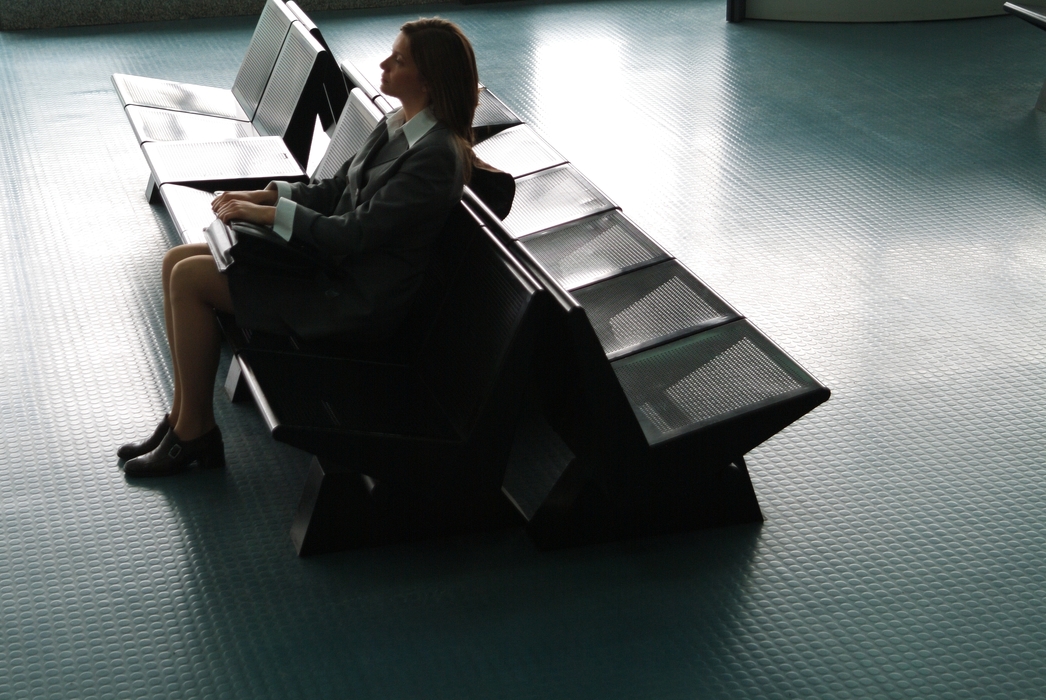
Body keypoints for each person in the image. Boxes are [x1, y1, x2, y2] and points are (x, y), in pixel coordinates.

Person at [118, 18, 479, 477]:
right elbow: (333, 191)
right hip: (332, 268)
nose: (384, 64)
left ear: (427, 80)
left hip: (352, 300)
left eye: (399, 59)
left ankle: (194, 435)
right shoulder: (399, 123)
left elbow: (354, 232)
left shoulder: (435, 157)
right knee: (178, 260)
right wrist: (267, 195)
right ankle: (181, 420)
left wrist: (268, 216)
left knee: (190, 280)